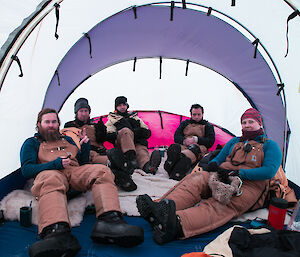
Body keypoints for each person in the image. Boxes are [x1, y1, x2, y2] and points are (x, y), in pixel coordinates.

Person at [136, 108, 282, 245]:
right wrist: (213, 165)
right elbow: (219, 158)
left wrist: (240, 173)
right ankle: (159, 209)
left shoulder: (270, 146)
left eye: (251, 122)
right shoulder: (235, 141)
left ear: (260, 123)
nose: (247, 125)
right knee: (196, 179)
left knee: (222, 202)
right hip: (222, 175)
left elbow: (269, 171)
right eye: (244, 122)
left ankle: (177, 224)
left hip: (248, 184)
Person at [20, 108, 144, 257]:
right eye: (47, 122)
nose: (51, 125)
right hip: (51, 175)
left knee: (101, 171)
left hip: (74, 173)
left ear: (58, 123)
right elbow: (26, 170)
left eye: (54, 121)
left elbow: (83, 162)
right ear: (39, 124)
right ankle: (56, 233)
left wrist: (84, 146)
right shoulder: (31, 143)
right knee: (50, 178)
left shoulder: (68, 140)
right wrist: (55, 165)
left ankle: (110, 222)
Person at [105, 96, 161, 176]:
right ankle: (130, 160)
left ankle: (149, 167)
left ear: (127, 105)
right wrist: (118, 133)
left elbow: (147, 132)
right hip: (122, 146)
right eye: (119, 105)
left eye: (124, 105)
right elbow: (108, 134)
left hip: (137, 144)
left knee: (141, 153)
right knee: (126, 131)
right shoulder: (112, 119)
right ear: (116, 107)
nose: (122, 107)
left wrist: (138, 132)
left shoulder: (135, 117)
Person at [164, 104, 215, 180]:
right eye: (194, 115)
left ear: (202, 114)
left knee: (193, 150)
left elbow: (210, 141)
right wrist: (184, 141)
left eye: (199, 114)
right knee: (176, 147)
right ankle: (174, 164)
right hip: (184, 145)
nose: (196, 117)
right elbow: (176, 136)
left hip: (199, 147)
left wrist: (196, 139)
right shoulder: (185, 123)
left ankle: (176, 162)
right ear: (191, 114)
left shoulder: (207, 126)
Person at [64, 98, 108, 165]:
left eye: (86, 111)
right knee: (107, 160)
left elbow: (101, 140)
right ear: (76, 113)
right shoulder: (70, 125)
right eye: (81, 111)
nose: (84, 114)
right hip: (84, 152)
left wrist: (102, 130)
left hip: (100, 151)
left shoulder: (94, 125)